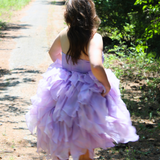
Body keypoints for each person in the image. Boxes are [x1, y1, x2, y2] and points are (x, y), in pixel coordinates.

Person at [25, 0, 139, 159]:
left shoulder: (64, 33)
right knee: (83, 138)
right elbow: (96, 65)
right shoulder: (94, 37)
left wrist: (67, 67)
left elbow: (52, 53)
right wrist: (106, 85)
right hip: (86, 93)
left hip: (63, 90)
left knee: (61, 135)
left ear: (68, 14)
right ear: (90, 14)